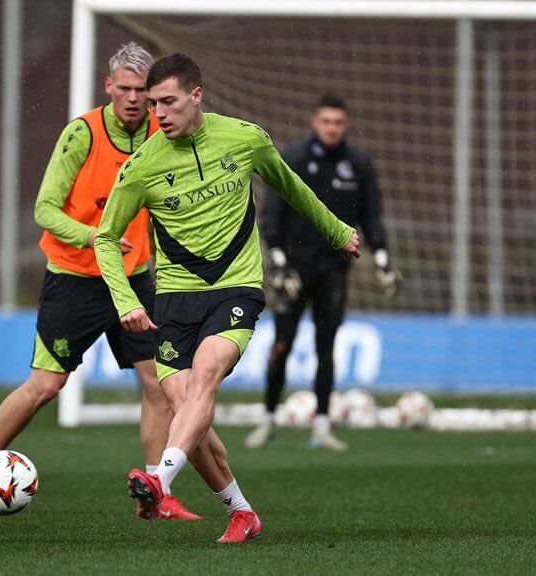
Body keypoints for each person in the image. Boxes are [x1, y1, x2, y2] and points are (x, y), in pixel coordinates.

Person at [94, 53, 360, 544]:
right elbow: (105, 238)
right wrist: (125, 299)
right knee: (186, 417)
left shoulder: (245, 138)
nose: (160, 114)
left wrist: (337, 229)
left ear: (196, 96)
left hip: (236, 288)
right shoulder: (142, 166)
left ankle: (159, 479)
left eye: (169, 102)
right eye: (153, 105)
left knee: (205, 375)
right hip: (174, 298)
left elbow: (292, 188)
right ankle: (241, 512)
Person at [0, 43, 198, 521]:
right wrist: (97, 237)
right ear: (108, 86)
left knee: (158, 382)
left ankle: (156, 489)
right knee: (46, 385)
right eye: (125, 89)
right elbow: (44, 210)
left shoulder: (161, 133)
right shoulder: (82, 134)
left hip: (131, 280)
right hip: (75, 277)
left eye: (142, 92)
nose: (134, 99)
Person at [246, 94, 401, 451]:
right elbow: (272, 215)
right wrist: (278, 261)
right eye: (326, 121)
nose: (332, 128)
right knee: (281, 345)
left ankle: (321, 425)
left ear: (345, 126)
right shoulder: (293, 159)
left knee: (326, 347)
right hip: (294, 271)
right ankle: (268, 419)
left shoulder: (357, 164)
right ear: (314, 122)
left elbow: (371, 214)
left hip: (333, 270)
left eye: (338, 123)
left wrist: (382, 257)